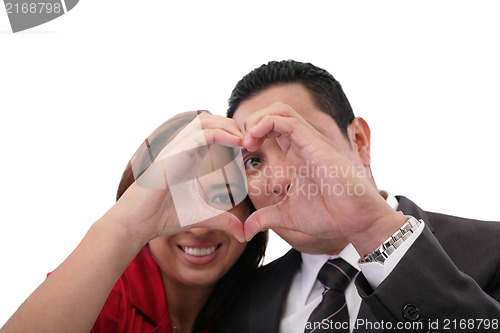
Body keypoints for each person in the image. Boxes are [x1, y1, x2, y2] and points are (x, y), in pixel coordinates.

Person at [215, 60, 500, 332]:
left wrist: (374, 231)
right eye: (253, 161)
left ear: (359, 141)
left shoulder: (492, 251)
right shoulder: (239, 303)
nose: (280, 179)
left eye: (296, 141)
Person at [0, 111, 267, 333]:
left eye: (222, 197)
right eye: (178, 199)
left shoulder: (267, 301)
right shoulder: (105, 295)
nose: (199, 227)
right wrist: (126, 228)